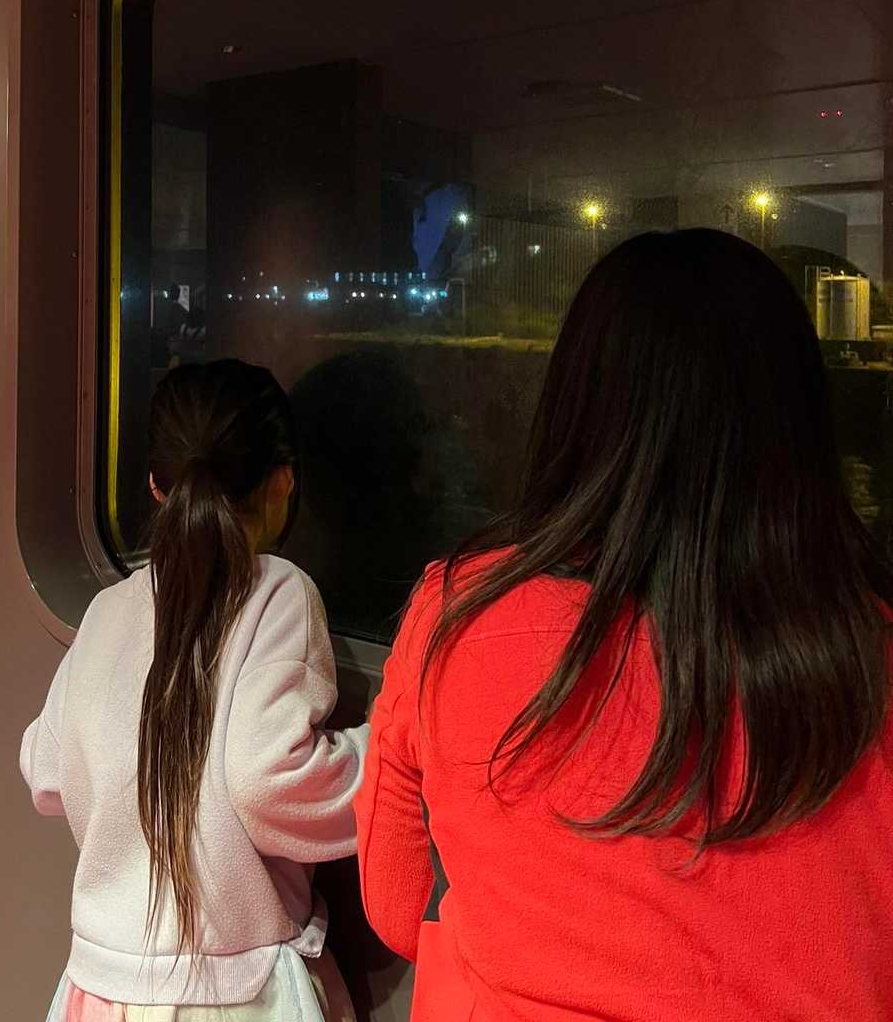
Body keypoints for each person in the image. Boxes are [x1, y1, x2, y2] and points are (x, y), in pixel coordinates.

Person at [355, 228, 893, 1022]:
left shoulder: (456, 613)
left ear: (577, 406)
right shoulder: (868, 648)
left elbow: (396, 907)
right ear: (800, 420)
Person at [22, 359, 368, 1021]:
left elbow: (45, 767)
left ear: (156, 486)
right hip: (232, 994)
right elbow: (267, 778)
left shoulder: (108, 609)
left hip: (100, 992)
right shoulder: (278, 592)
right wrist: (382, 756)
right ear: (283, 481)